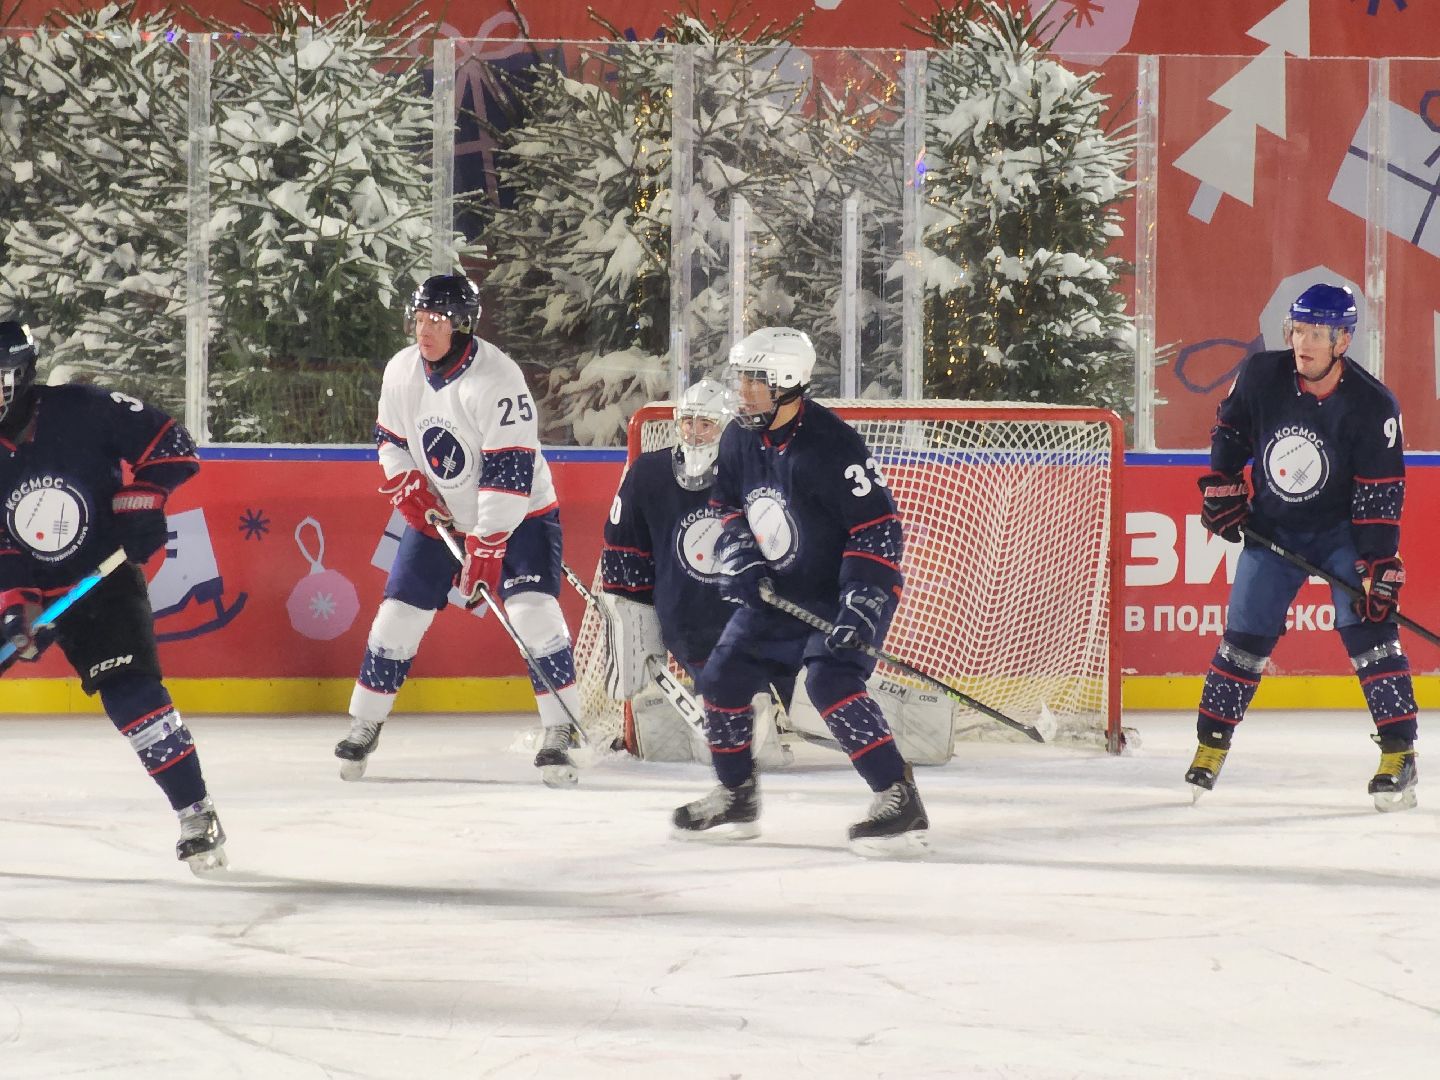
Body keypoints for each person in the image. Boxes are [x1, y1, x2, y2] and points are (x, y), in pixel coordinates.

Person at [671, 326, 927, 855]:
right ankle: (737, 794)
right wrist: (740, 555)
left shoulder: (834, 445)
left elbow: (878, 528)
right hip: (776, 590)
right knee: (721, 677)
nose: (742, 392)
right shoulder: (740, 435)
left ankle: (898, 797)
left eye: (754, 382)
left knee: (831, 683)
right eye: (740, 379)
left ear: (787, 384)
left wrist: (862, 602)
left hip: (840, 592)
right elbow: (726, 507)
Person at [334, 274, 585, 787]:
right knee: (397, 616)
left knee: (532, 614)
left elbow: (511, 468)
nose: (424, 331)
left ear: (463, 324)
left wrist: (488, 540)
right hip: (443, 517)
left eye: (438, 321)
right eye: (420, 320)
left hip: (522, 518)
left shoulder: (498, 378)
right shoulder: (402, 370)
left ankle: (559, 730)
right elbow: (389, 437)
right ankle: (366, 723)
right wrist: (404, 480)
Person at [0, 319, 226, 873]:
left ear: (22, 375)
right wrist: (17, 609)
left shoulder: (81, 408)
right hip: (39, 586)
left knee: (130, 694)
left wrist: (145, 496)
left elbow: (172, 442)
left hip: (102, 576)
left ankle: (197, 814)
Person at [1191, 282, 1418, 811]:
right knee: (1243, 636)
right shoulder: (1261, 375)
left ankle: (1398, 754)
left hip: (1342, 532)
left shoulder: (1373, 404)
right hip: (1274, 529)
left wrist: (1377, 562)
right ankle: (1210, 745)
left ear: (1343, 340)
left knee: (1370, 633)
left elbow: (1379, 495)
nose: (1304, 343)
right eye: (1298, 330)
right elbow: (1230, 428)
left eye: (1318, 333)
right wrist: (1224, 482)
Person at [597, 378, 792, 760]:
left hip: (758, 621)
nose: (695, 432)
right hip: (691, 623)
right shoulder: (649, 473)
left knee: (818, 692)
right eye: (689, 421)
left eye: (706, 423)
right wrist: (628, 618)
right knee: (746, 747)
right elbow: (624, 549)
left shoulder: (758, 470)